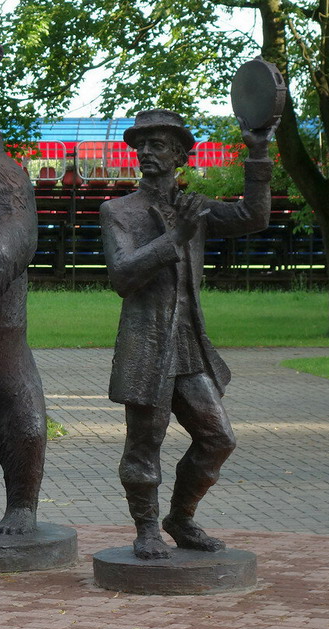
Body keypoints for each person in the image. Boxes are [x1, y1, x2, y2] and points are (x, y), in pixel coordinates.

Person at [100, 109, 276, 560]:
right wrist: (175, 237)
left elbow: (254, 215)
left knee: (218, 438)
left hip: (189, 345)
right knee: (144, 443)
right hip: (146, 345)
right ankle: (146, 530)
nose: (145, 152)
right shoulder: (118, 211)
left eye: (157, 145)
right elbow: (122, 276)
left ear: (180, 155)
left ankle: (180, 518)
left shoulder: (195, 207)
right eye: (140, 145)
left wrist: (258, 152)